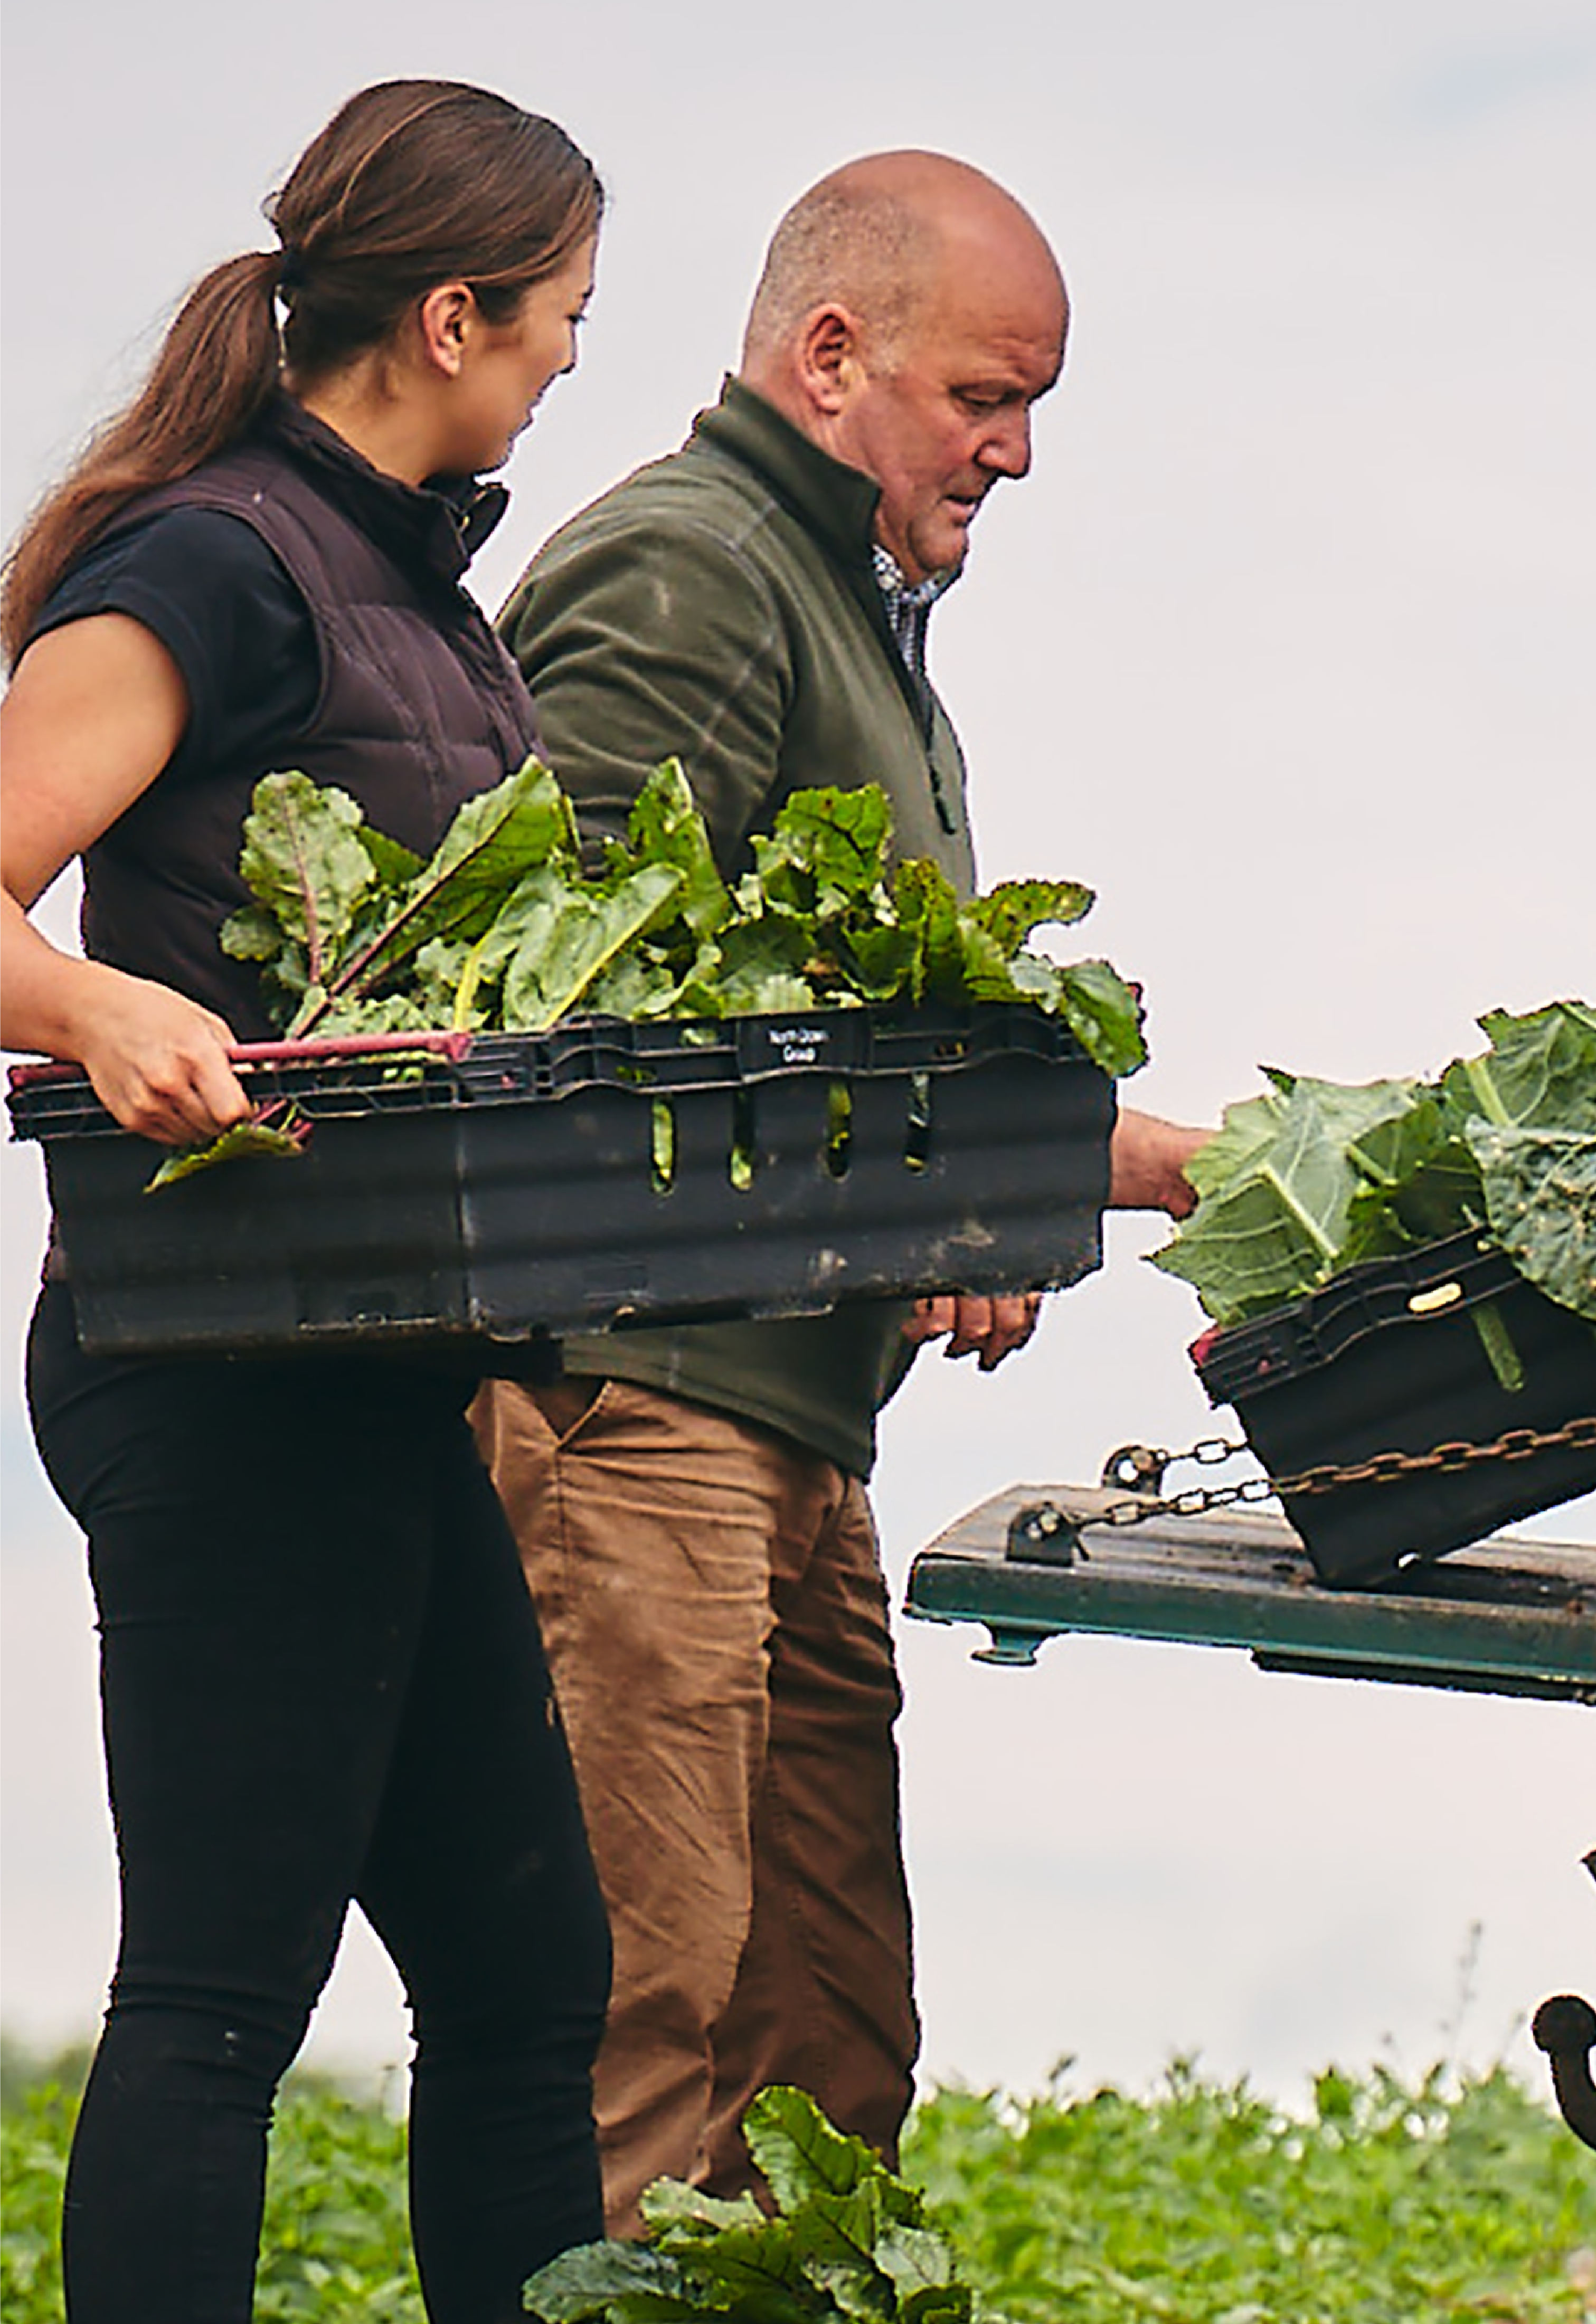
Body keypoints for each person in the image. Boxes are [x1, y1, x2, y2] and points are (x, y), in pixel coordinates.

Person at [473, 149, 1204, 2231]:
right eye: (988, 394)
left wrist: (928, 1224)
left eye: (1034, 402)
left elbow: (815, 1031)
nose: (1019, 450)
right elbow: (579, 1026)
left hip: (785, 1426)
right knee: (640, 2022)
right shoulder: (693, 575)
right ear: (828, 352)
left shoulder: (853, 618)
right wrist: (1052, 1169)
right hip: (640, 1416)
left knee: (821, 2047)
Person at [0, 79, 613, 2322]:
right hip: (214, 1364)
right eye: (559, 319)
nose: (563, 364)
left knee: (535, 1972)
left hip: (357, 1372)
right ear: (450, 314)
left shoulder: (419, 598)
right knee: (219, 1999)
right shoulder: (217, 564)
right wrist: (85, 1011)